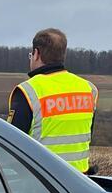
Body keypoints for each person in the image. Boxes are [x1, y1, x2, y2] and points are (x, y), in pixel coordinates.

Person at [7, 28, 97, 172]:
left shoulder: (28, 92)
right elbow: (87, 136)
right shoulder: (88, 89)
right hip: (81, 182)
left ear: (36, 54)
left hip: (42, 182)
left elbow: (10, 144)